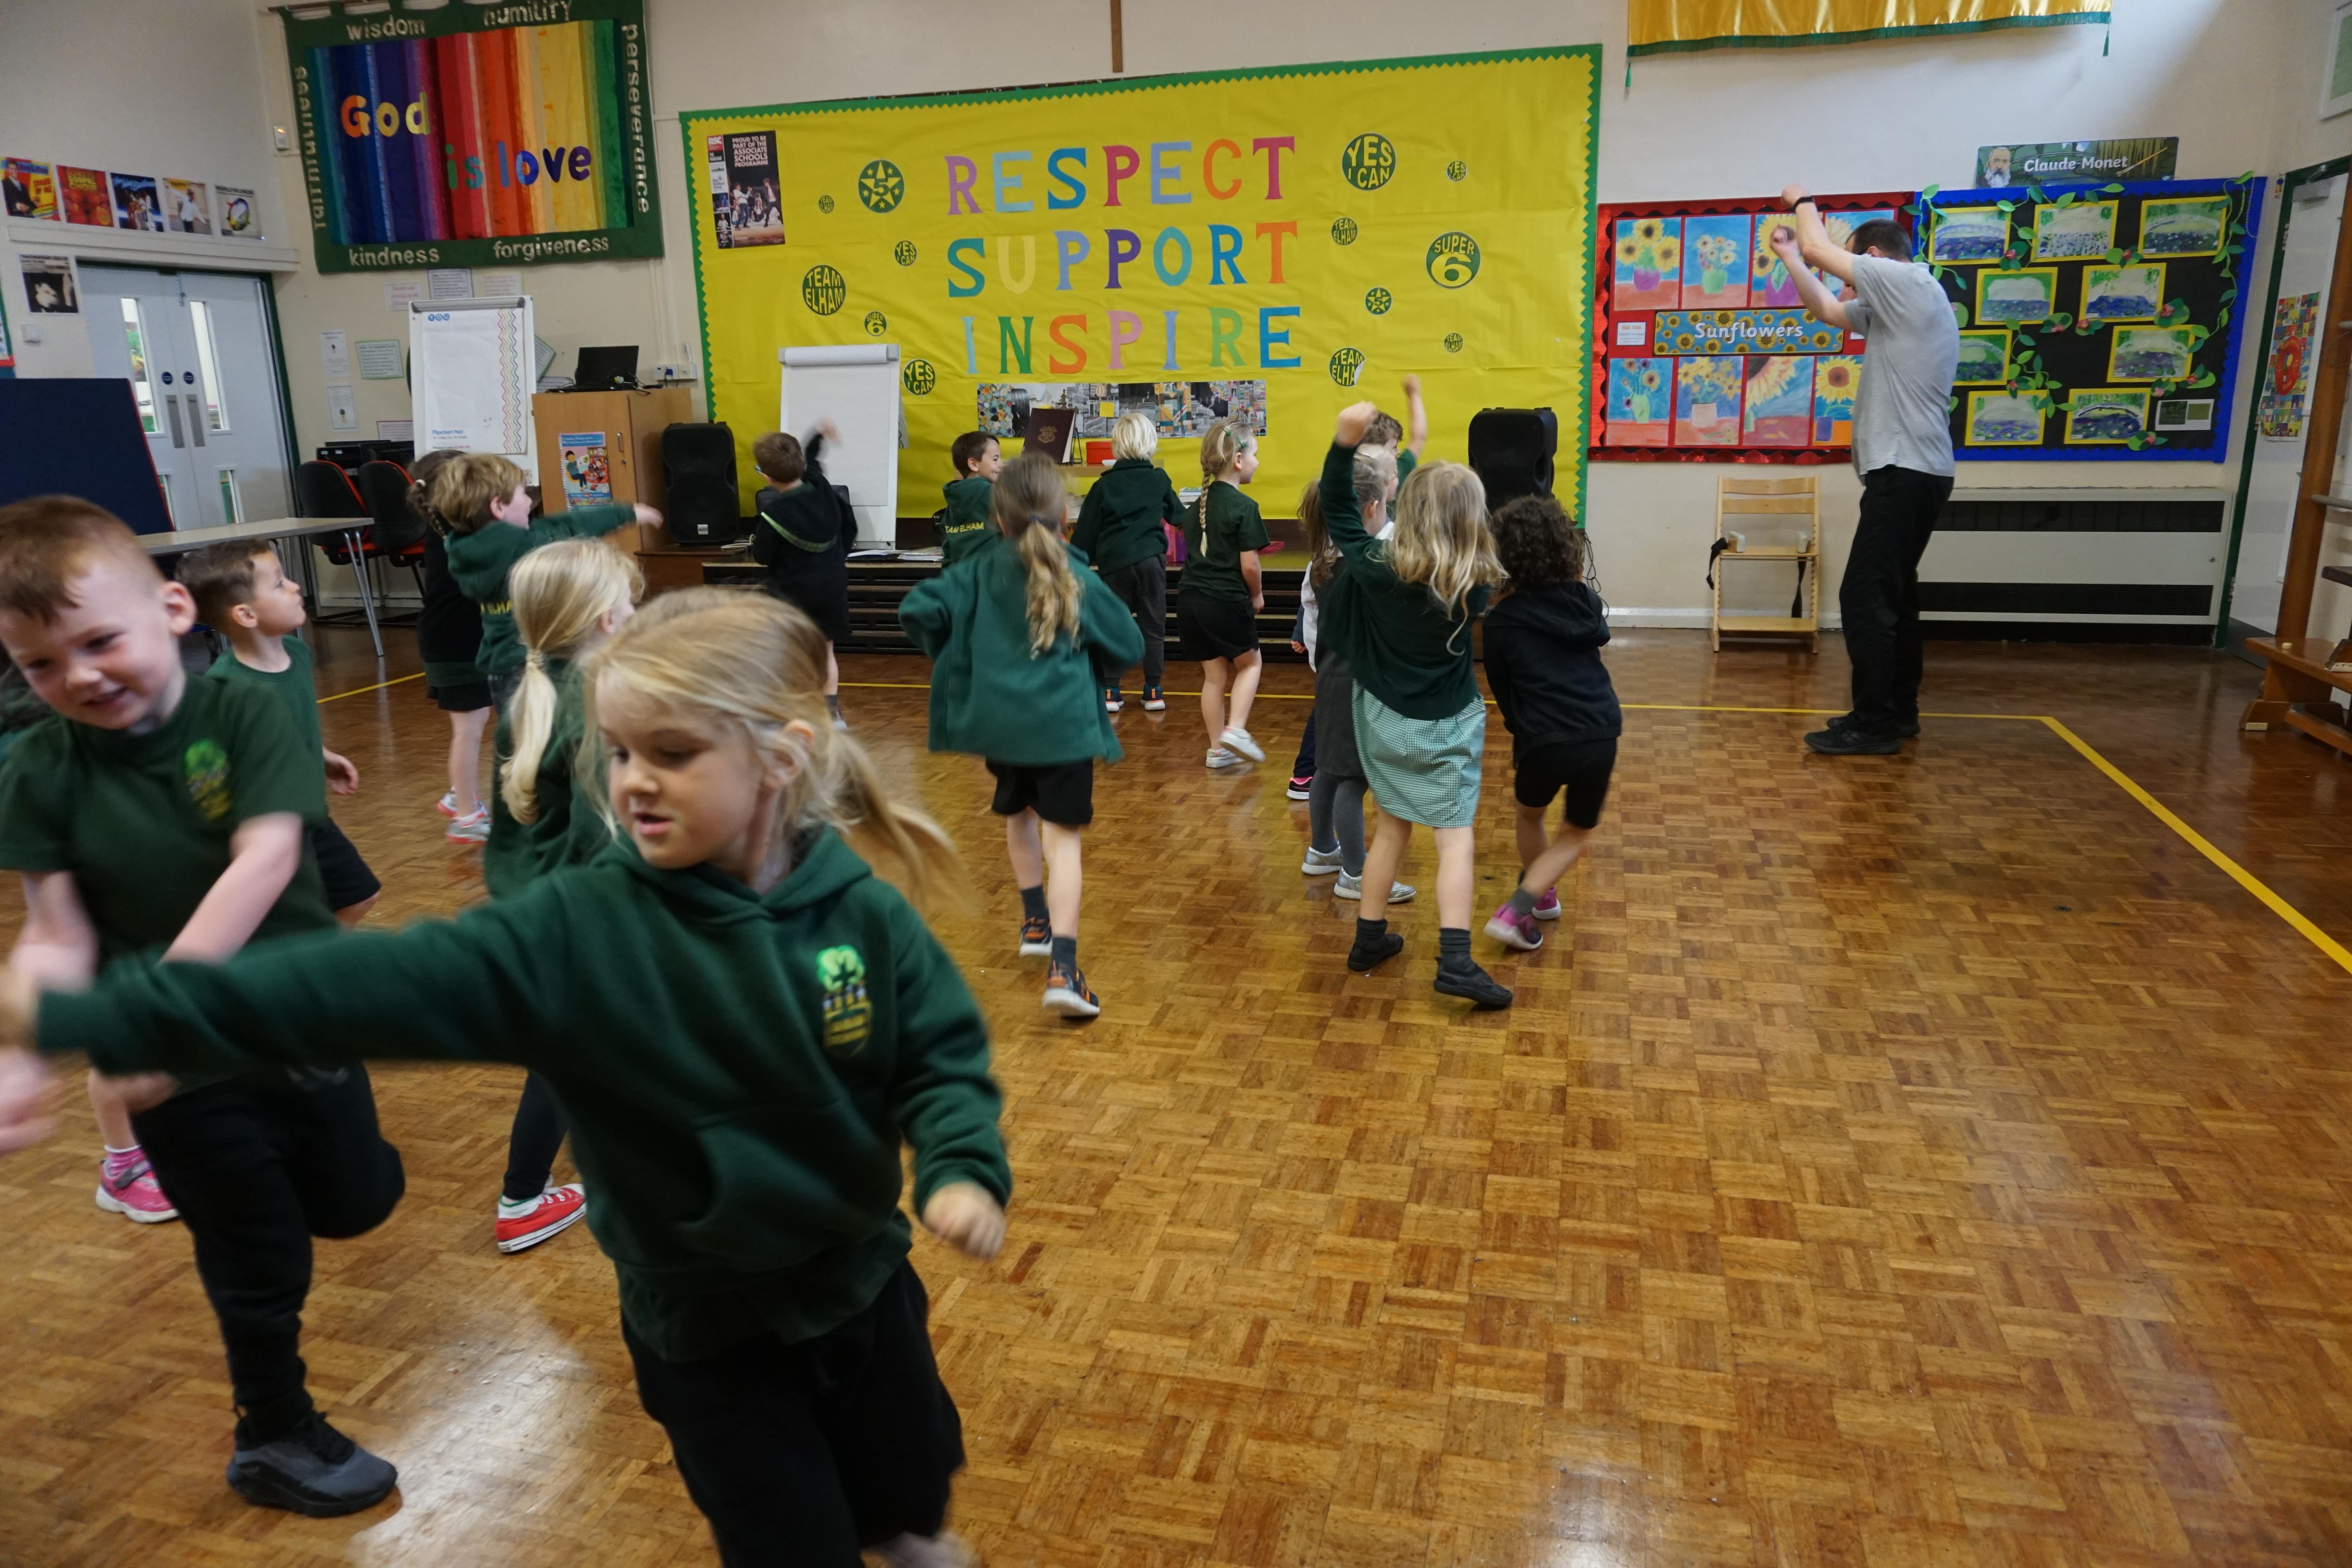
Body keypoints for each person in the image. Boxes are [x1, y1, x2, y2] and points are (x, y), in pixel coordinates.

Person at [0, 588, 1007, 1568]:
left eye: (672, 753)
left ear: (782, 758)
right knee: (790, 1540)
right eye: (619, 752)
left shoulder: (860, 913)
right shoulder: (580, 931)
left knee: (910, 1484)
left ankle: (906, 1530)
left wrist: (961, 1161)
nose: (634, 782)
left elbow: (939, 1052)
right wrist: (81, 1015)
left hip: (865, 1284)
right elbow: (358, 985)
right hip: (707, 1327)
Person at [0, 496, 405, 1515]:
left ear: (174, 610)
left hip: (295, 1026)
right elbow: (55, 932)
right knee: (257, 1263)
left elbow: (264, 858)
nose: (77, 676)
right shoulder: (38, 768)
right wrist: (22, 1049)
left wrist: (163, 1003)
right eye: (40, 664)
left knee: (359, 1202)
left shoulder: (243, 714)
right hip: (181, 1079)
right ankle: (273, 1432)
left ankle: (323, 1191)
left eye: (100, 641)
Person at [901, 451, 1143, 1020]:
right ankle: (1064, 968)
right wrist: (1094, 658)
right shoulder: (1075, 575)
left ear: (998, 519)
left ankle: (1035, 920)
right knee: (1064, 841)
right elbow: (1130, 646)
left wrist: (957, 656)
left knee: (1018, 816)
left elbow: (918, 610)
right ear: (1065, 517)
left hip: (1002, 730)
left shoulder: (975, 572)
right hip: (1063, 729)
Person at [1315, 403, 1512, 1009]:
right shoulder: (1476, 583)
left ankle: (1369, 938)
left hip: (1381, 720)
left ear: (1407, 508)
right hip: (1445, 726)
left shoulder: (1376, 566)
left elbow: (1339, 507)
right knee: (1455, 840)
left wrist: (1343, 444)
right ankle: (1456, 961)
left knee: (1391, 829)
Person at [483, 539, 642, 1254]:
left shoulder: (532, 696)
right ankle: (523, 1198)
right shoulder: (596, 710)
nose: (636, 610)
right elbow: (606, 839)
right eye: (629, 601)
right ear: (607, 618)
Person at [1771, 186, 1958, 755]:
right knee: (1894, 598)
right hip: (1914, 471)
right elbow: (1827, 311)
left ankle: (1874, 722)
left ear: (1874, 260)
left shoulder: (1908, 283)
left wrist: (1802, 202)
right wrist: (1790, 258)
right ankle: (1899, 712)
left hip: (1907, 469)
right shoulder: (1898, 308)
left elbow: (1820, 246)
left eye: (1853, 271)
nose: (1847, 284)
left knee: (1864, 597)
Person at [178, 541, 381, 928]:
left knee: (360, 895)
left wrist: (322, 756)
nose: (295, 586)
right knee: (291, 917)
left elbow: (288, 726)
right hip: (267, 826)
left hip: (310, 815)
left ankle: (313, 957)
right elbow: (209, 771)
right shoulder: (227, 689)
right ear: (246, 614)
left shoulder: (297, 653)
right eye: (279, 583)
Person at [1478, 494, 1622, 954]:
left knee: (1530, 815)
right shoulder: (1585, 602)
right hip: (1600, 731)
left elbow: (1504, 691)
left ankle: (1527, 903)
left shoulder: (1500, 621)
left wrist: (1525, 732)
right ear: (1564, 547)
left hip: (1542, 738)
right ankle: (1530, 899)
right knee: (1575, 833)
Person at [438, 454, 655, 716]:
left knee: (523, 736)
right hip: (534, 666)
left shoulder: (461, 551)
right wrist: (625, 513)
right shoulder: (524, 544)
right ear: (498, 507)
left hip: (500, 668)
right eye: (523, 494)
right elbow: (567, 526)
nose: (530, 502)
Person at [1293, 475, 1414, 908]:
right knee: (1354, 778)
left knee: (1328, 769)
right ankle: (1357, 874)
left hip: (1330, 676)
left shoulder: (1321, 562)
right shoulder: (1372, 565)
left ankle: (1323, 850)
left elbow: (1312, 627)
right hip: (1361, 683)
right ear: (1371, 509)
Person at [409, 451, 498, 842]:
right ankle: (466, 816)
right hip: (454, 642)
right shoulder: (460, 532)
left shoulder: (447, 525)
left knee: (472, 725)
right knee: (469, 730)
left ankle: (458, 792)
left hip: (454, 638)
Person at [1071, 412, 1180, 715]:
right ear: (1151, 443)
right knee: (1153, 626)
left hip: (1114, 566)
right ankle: (1154, 690)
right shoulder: (1159, 479)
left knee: (1112, 626)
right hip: (1151, 563)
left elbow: (1085, 536)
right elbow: (1179, 517)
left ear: (1116, 445)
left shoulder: (1103, 486)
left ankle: (1111, 690)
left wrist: (1074, 565)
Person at [1176, 418, 1268, 769]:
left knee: (1214, 677)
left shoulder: (1195, 509)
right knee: (1251, 664)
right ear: (1239, 461)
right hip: (1224, 601)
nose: (1258, 461)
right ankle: (1237, 730)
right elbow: (1250, 566)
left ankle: (1218, 750)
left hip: (1189, 602)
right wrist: (1257, 595)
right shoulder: (1245, 508)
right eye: (1255, 454)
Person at [751, 425, 854, 730]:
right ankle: (833, 715)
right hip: (832, 587)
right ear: (800, 464)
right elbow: (813, 461)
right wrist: (818, 435)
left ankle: (791, 712)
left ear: (766, 477)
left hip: (794, 595)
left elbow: (762, 556)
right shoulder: (820, 487)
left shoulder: (774, 515)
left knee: (790, 653)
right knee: (826, 652)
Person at [939, 431, 1001, 568]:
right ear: (974, 464)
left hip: (959, 577)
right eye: (996, 460)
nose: (1001, 464)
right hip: (989, 574)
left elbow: (948, 550)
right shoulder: (994, 494)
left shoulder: (954, 501)